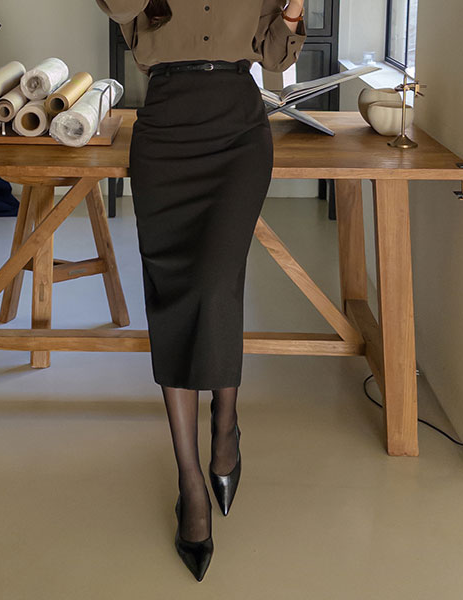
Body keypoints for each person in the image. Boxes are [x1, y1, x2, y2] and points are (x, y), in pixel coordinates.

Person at [95, 0, 306, 581]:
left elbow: (274, 59)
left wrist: (293, 11)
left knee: (215, 286)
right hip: (165, 130)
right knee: (173, 296)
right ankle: (190, 480)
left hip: (238, 132)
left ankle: (225, 422)